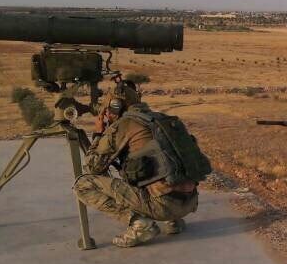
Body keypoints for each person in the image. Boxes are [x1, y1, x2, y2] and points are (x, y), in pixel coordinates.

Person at [73, 80, 210, 247]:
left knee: (83, 184)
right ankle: (174, 222)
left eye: (109, 108)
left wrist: (98, 133)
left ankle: (140, 224)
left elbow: (94, 167)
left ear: (116, 106)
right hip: (190, 202)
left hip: (162, 206)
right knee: (143, 166)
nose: (107, 112)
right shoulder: (163, 120)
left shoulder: (124, 125)